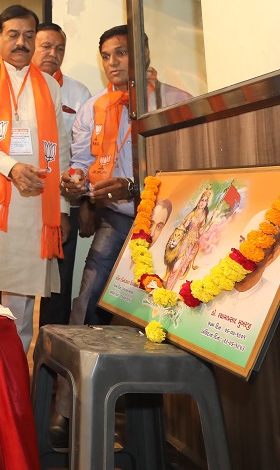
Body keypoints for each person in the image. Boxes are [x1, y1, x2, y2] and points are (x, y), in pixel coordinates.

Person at [61, 24, 190, 326]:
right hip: (117, 219)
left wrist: (133, 188)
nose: (112, 63)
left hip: (168, 221)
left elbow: (187, 168)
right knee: (88, 298)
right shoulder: (92, 108)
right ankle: (77, 368)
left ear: (143, 53)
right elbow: (80, 161)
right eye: (106, 56)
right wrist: (75, 182)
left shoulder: (175, 101)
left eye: (120, 53)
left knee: (168, 304)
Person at [0, 5, 68, 352]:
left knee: (21, 312)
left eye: (28, 36)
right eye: (13, 34)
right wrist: (11, 167)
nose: (21, 42)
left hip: (34, 209)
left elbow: (60, 150)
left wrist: (64, 208)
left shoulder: (50, 87)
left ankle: (11, 386)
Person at [32, 21, 91, 328]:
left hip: (64, 201)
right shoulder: (17, 90)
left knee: (58, 286)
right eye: (46, 46)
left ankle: (49, 360)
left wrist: (82, 206)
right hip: (25, 197)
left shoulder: (79, 93)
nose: (53, 54)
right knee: (20, 282)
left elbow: (82, 152)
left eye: (60, 48)